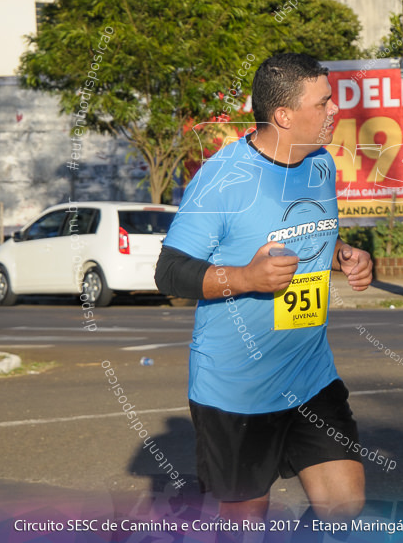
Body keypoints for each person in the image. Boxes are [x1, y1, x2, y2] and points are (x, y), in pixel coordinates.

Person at [154, 53, 373, 524]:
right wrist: (246, 278)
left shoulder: (320, 165)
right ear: (284, 116)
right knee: (245, 525)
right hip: (237, 388)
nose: (335, 110)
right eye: (324, 102)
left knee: (344, 505)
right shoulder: (222, 180)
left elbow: (312, 235)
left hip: (309, 375)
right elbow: (169, 272)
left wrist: (344, 257)